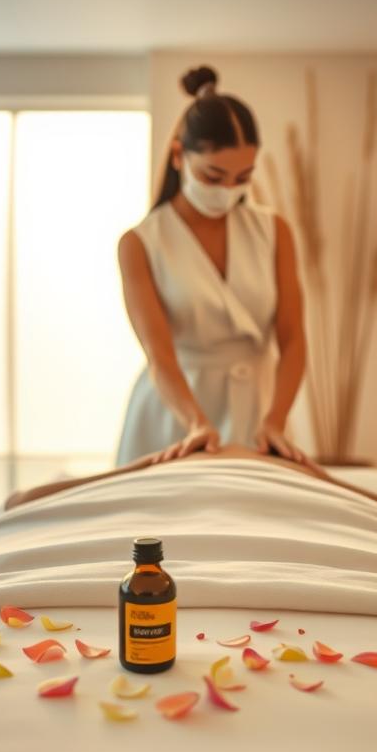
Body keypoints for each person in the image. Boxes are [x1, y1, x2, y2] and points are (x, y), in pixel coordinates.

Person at [115, 64, 308, 466]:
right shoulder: (141, 244)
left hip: (259, 411)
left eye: (243, 178)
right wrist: (196, 423)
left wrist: (275, 419)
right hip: (176, 413)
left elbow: (292, 339)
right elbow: (159, 354)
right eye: (214, 175)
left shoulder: (274, 232)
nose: (228, 191)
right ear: (178, 157)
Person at [4, 444, 377, 532]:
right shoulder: (163, 462)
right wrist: (133, 469)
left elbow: (17, 504)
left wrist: (323, 479)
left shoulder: (293, 470)